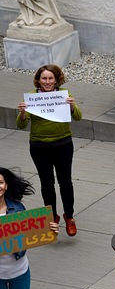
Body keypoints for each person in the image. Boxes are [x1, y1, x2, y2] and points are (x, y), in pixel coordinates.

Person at [1, 167, 59, 289]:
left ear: (6, 185)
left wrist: (50, 230)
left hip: (19, 272)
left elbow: (33, 232)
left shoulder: (17, 208)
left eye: (0, 182)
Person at [16, 64, 81, 236]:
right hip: (39, 146)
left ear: (56, 80)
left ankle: (69, 216)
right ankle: (52, 218)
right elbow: (21, 125)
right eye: (44, 78)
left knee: (65, 182)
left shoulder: (64, 94)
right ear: (38, 80)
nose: (47, 82)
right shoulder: (31, 97)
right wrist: (22, 113)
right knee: (47, 183)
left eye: (51, 78)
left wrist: (72, 106)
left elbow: (78, 117)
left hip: (63, 144)